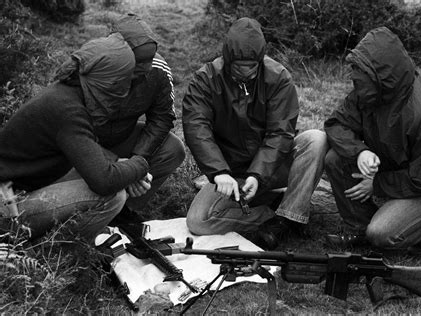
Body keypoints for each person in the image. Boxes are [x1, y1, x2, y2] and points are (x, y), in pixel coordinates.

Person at [183, 17, 328, 250]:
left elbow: (280, 133)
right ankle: (272, 215)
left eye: (252, 67)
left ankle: (289, 218)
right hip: (232, 173)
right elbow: (196, 126)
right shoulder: (205, 79)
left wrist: (258, 175)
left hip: (274, 166)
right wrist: (219, 172)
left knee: (316, 140)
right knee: (198, 222)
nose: (247, 73)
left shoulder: (279, 77)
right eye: (239, 68)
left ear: (260, 59)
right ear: (228, 59)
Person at [324, 27, 421, 249]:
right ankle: (358, 228)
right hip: (398, 167)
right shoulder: (369, 91)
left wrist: (376, 185)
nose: (353, 76)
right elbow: (336, 124)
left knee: (381, 233)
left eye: (360, 70)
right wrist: (360, 152)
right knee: (335, 159)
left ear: (380, 74)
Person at [0, 32, 150, 241]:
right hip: (8, 208)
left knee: (105, 172)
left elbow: (87, 151)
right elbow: (104, 182)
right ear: (111, 82)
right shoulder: (69, 111)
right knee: (112, 195)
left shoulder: (66, 93)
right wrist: (140, 165)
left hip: (16, 188)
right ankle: (55, 255)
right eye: (123, 82)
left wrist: (120, 163)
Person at [94, 14, 185, 216]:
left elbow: (162, 118)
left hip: (121, 137)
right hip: (81, 144)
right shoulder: (92, 67)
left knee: (173, 149)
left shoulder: (158, 70)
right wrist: (112, 161)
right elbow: (67, 126)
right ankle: (88, 211)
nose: (144, 69)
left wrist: (137, 161)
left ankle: (125, 210)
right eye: (138, 62)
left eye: (149, 60)